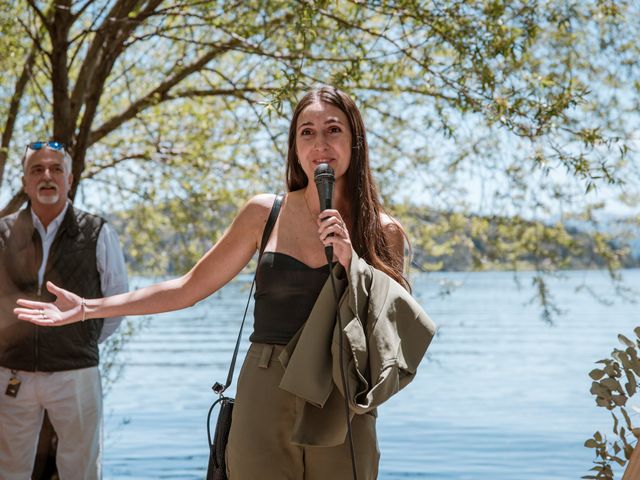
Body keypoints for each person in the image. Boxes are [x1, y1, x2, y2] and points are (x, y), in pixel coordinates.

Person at [14, 86, 436, 479]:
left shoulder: (384, 231)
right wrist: (89, 308)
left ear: (354, 142)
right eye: (307, 132)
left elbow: (392, 339)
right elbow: (187, 288)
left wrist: (353, 262)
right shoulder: (263, 213)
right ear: (295, 146)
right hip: (265, 392)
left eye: (333, 130)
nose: (320, 144)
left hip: (340, 399)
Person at [0, 140, 129, 480]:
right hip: (11, 372)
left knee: (81, 469)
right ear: (25, 181)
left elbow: (116, 300)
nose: (47, 176)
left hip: (76, 373)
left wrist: (81, 340)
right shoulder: (2, 232)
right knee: (8, 469)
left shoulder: (98, 232)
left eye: (56, 169)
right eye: (37, 170)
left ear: (70, 180)